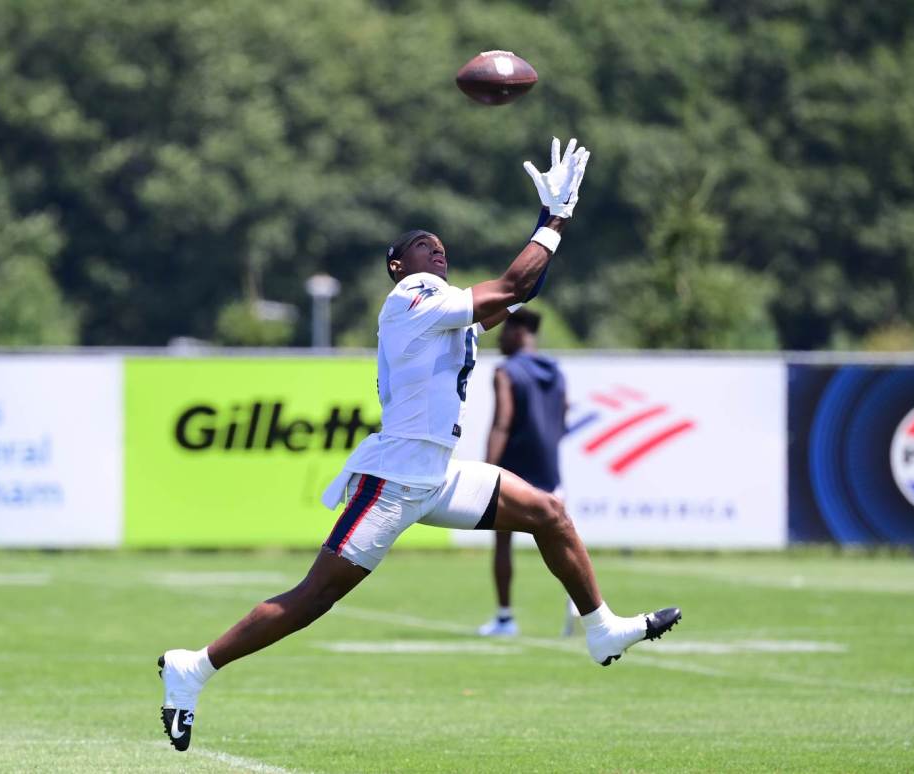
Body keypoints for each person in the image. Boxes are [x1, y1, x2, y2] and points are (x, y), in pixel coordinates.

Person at [157, 138, 681, 752]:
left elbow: (519, 291)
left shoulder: (442, 308)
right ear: (397, 267)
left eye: (441, 245)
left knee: (549, 513)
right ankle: (192, 668)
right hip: (394, 478)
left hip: (435, 473)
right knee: (315, 596)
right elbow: (513, 281)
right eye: (420, 245)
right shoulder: (412, 297)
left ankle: (601, 628)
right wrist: (557, 220)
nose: (436, 246)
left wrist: (546, 220)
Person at [476, 308, 569, 638]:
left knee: (503, 543)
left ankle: (504, 618)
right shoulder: (556, 372)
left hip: (514, 473)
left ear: (517, 333)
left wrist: (486, 469)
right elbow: (564, 418)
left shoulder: (506, 371)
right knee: (562, 542)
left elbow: (502, 421)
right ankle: (581, 608)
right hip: (549, 472)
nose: (499, 340)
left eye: (502, 333)